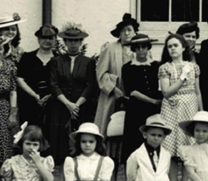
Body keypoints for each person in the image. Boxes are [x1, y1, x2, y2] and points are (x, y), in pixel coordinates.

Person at [47, 24, 98, 169]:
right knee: (60, 142)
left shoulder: (88, 62)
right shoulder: (56, 61)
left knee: (80, 139)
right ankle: (61, 175)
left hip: (81, 107)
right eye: (70, 41)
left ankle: (81, 174)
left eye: (76, 41)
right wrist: (68, 104)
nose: (73, 44)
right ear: (65, 42)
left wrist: (76, 105)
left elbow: (90, 85)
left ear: (81, 42)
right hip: (60, 106)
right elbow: (53, 84)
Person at [158, 33, 202, 181]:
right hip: (171, 108)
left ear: (183, 47)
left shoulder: (193, 67)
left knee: (187, 147)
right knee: (171, 147)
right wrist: (182, 77)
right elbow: (166, 92)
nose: (172, 49)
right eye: (169, 46)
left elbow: (197, 91)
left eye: (176, 45)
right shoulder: (165, 68)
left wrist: (201, 112)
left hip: (189, 106)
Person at [120, 35, 162, 181]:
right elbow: (132, 92)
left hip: (153, 112)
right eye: (137, 48)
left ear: (148, 48)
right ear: (134, 49)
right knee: (133, 143)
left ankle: (152, 179)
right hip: (136, 110)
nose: (141, 50)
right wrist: (153, 101)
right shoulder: (127, 68)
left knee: (153, 142)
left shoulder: (157, 66)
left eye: (144, 47)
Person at [93, 13, 137, 137]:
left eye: (129, 30)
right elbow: (101, 73)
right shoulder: (110, 48)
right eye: (123, 30)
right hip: (113, 95)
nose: (126, 33)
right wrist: (114, 89)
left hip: (133, 96)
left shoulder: (140, 50)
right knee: (110, 128)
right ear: (119, 33)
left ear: (135, 32)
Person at [15, 24, 58, 129]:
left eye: (50, 38)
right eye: (44, 38)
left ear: (55, 40)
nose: (47, 40)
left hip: (53, 105)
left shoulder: (59, 59)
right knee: (30, 133)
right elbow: (19, 78)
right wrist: (35, 95)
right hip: (29, 103)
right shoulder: (27, 57)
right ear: (38, 39)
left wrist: (50, 96)